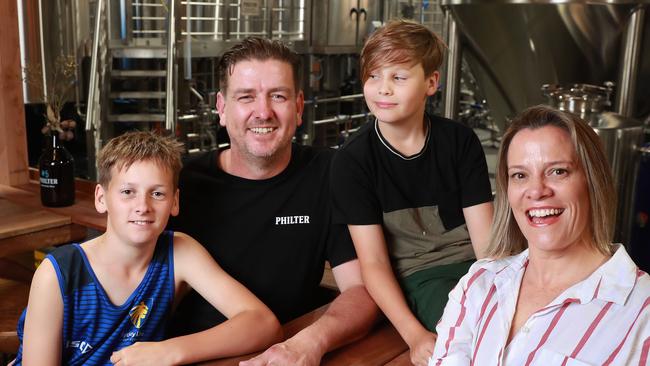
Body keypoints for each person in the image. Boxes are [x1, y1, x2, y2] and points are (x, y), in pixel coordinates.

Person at [167, 37, 378, 365]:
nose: (263, 112)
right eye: (246, 97)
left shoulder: (330, 174)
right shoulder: (181, 184)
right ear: (222, 109)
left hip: (285, 353)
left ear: (298, 107)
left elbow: (362, 288)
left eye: (277, 96)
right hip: (191, 356)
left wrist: (310, 342)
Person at [13, 131, 281, 365]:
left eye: (157, 193)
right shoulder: (58, 273)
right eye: (128, 192)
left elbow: (263, 323)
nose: (143, 206)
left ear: (174, 202)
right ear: (101, 198)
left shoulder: (180, 252)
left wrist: (169, 351)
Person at [330, 20, 494, 366]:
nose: (382, 89)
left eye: (398, 77)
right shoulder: (352, 160)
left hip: (476, 268)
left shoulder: (459, 142)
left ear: (431, 82)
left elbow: (488, 245)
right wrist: (415, 336)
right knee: (475, 336)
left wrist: (503, 290)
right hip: (421, 277)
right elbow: (373, 263)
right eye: (373, 76)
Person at [431, 105, 650, 365]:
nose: (536, 191)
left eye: (558, 171)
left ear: (593, 181)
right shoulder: (479, 283)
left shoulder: (642, 313)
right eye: (520, 175)